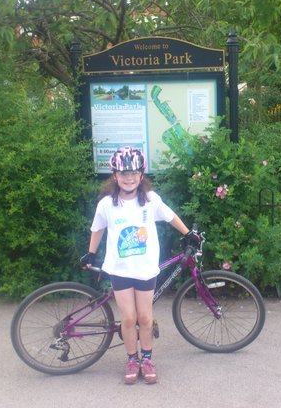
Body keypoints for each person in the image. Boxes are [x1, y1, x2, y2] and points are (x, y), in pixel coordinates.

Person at [83, 146, 199, 385]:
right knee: (128, 318)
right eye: (123, 173)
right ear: (115, 176)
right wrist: (90, 254)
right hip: (120, 270)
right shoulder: (107, 204)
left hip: (145, 269)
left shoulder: (150, 200)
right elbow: (97, 228)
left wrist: (188, 233)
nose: (129, 178)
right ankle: (131, 360)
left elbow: (170, 216)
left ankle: (146, 359)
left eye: (134, 173)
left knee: (145, 318)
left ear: (141, 175)